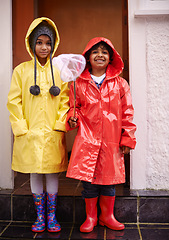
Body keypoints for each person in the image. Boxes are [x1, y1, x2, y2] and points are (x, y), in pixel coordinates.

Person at [66, 37, 136, 233]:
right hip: (87, 139)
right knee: (89, 181)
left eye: (104, 52)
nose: (100, 55)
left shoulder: (120, 84)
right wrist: (72, 118)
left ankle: (107, 216)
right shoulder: (77, 83)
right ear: (88, 57)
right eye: (95, 51)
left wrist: (127, 137)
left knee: (108, 181)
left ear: (111, 58)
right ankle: (91, 217)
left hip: (111, 139)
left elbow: (127, 111)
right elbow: (74, 108)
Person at [7, 17, 69, 233]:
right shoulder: (21, 71)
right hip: (30, 132)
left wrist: (60, 124)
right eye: (39, 42)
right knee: (34, 172)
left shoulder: (60, 71)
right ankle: (39, 216)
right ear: (31, 43)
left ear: (54, 44)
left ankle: (51, 216)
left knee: (52, 173)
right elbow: (14, 102)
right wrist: (21, 128)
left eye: (48, 43)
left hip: (52, 132)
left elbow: (65, 100)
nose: (44, 47)